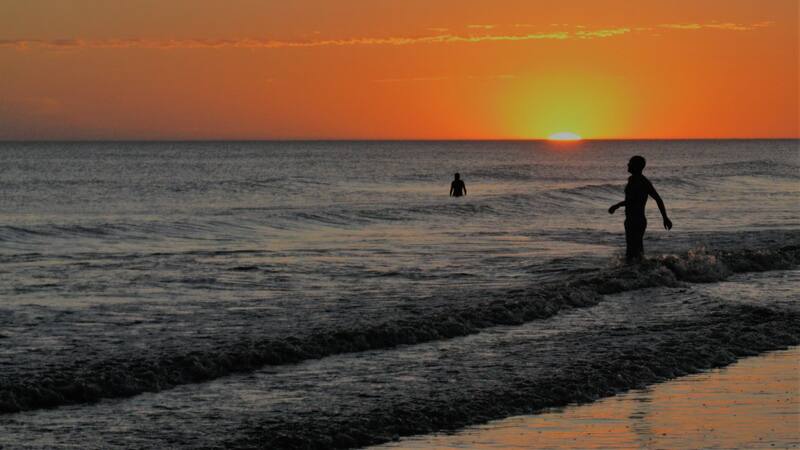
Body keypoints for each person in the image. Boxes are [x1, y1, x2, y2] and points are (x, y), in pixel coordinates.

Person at [608, 155, 672, 262]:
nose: (628, 164)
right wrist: (665, 217)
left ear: (636, 166)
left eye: (630, 163)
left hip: (635, 220)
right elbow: (658, 199)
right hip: (636, 220)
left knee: (632, 251)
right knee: (636, 250)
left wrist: (616, 206)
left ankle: (636, 273)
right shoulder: (637, 180)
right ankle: (640, 272)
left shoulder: (639, 181)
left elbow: (634, 201)